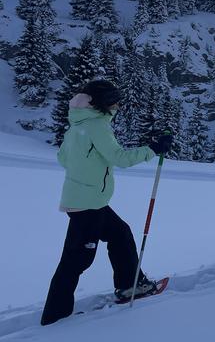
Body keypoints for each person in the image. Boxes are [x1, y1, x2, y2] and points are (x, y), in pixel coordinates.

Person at [41, 80, 173, 325]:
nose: (118, 106)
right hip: (88, 204)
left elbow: (63, 158)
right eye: (115, 101)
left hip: (87, 199)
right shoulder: (96, 126)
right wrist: (153, 149)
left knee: (120, 234)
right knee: (76, 260)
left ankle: (130, 286)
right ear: (103, 103)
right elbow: (119, 158)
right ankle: (55, 317)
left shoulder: (77, 125)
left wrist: (87, 168)